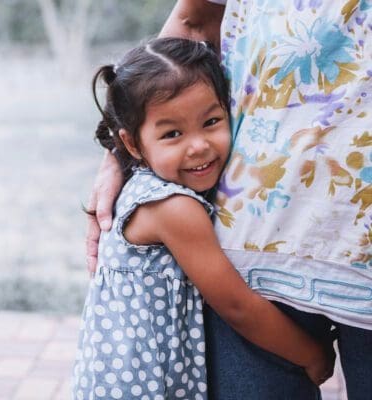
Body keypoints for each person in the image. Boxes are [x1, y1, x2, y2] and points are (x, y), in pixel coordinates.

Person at [86, 1, 372, 399]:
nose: (199, 146)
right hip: (254, 266)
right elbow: (236, 305)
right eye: (172, 134)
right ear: (131, 143)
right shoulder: (172, 207)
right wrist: (313, 357)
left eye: (212, 121)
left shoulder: (159, 192)